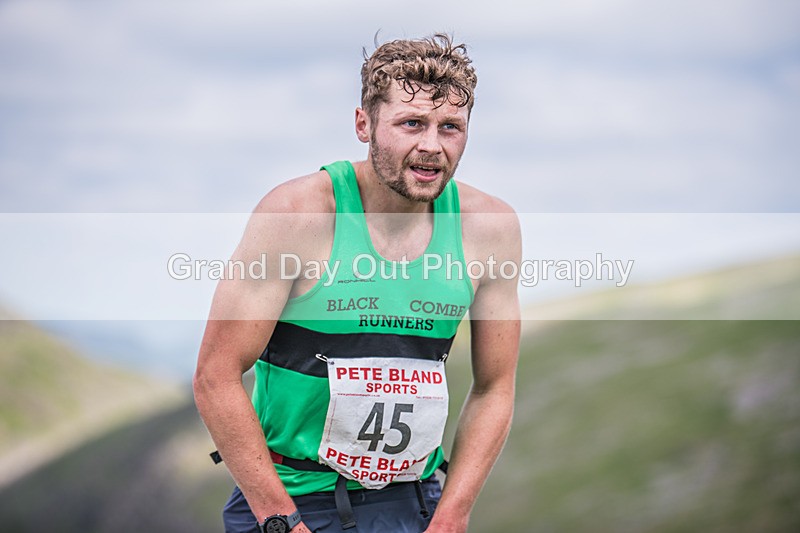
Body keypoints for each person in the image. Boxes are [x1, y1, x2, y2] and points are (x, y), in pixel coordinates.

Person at [193, 33, 521, 533]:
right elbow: (215, 376)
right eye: (411, 123)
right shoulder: (296, 215)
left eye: (450, 127)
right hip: (296, 500)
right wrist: (281, 521)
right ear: (363, 124)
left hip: (416, 502)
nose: (431, 146)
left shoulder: (490, 228)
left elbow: (495, 387)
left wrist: (453, 515)